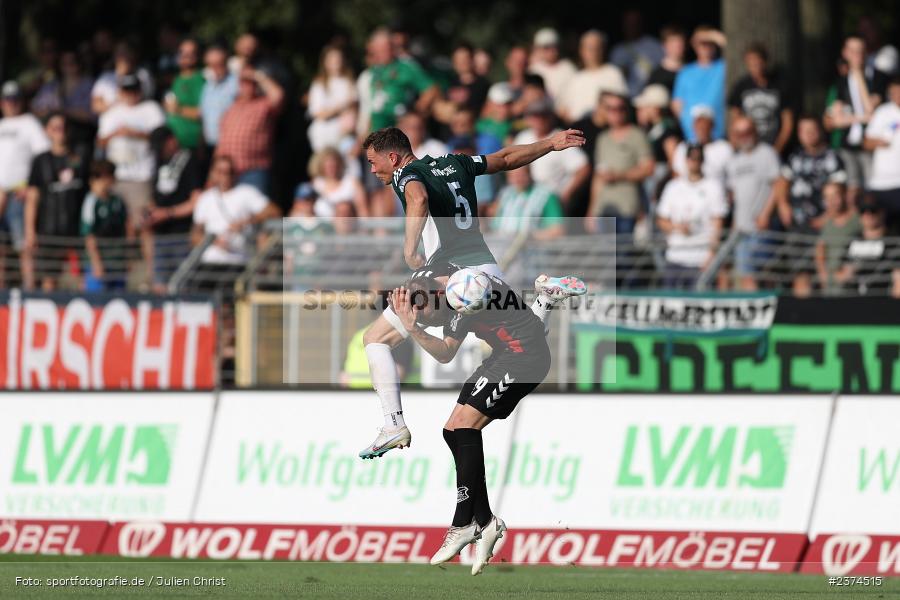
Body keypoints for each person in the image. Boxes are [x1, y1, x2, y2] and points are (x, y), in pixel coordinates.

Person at [358, 125, 587, 459]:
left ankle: (393, 424)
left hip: (450, 278)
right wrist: (550, 144)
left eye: (372, 161)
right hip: (487, 271)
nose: (372, 169)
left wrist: (409, 250)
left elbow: (418, 198)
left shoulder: (405, 173)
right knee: (519, 336)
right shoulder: (457, 163)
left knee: (375, 339)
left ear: (392, 157)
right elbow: (506, 159)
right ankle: (545, 300)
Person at [388, 263, 586, 575]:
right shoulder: (453, 279)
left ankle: (462, 523)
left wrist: (413, 328)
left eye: (427, 315)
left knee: (466, 426)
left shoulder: (462, 303)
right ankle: (486, 520)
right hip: (504, 354)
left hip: (524, 362)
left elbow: (445, 353)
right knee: (451, 430)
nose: (428, 320)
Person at [765, 115, 847, 295]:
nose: (808, 135)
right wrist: (783, 205)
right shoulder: (795, 156)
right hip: (798, 224)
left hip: (824, 226)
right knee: (800, 273)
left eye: (812, 130)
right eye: (803, 131)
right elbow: (782, 182)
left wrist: (828, 217)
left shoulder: (832, 157)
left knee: (824, 272)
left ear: (820, 131)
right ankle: (803, 311)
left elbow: (839, 190)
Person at [23, 113, 89, 290]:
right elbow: (32, 198)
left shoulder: (80, 158)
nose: (61, 132)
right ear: (47, 131)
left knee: (81, 279)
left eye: (64, 127)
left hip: (76, 230)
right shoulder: (40, 161)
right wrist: (30, 231)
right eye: (56, 128)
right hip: (49, 230)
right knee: (49, 279)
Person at [191, 155, 281, 274]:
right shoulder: (205, 198)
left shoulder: (246, 192)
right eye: (220, 171)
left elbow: (274, 211)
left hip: (238, 262)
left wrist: (246, 222)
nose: (225, 176)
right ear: (213, 173)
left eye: (229, 172)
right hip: (209, 263)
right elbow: (195, 235)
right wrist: (215, 242)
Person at [824, 36, 887, 200]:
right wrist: (861, 117)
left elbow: (870, 110)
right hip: (847, 144)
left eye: (860, 51)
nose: (857, 55)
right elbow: (835, 120)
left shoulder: (878, 78)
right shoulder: (841, 82)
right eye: (853, 51)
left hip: (869, 144)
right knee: (851, 189)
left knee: (872, 189)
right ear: (845, 53)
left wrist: (858, 75)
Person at [656, 144, 726, 289]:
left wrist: (711, 255)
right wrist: (677, 227)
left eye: (698, 158)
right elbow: (661, 220)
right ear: (686, 160)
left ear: (703, 161)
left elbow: (717, 224)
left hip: (700, 258)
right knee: (670, 300)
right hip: (675, 256)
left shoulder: (713, 187)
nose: (695, 162)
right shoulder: (673, 187)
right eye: (691, 158)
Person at [725, 116, 781, 290]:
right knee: (746, 275)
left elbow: (778, 185)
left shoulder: (767, 153)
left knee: (762, 273)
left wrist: (766, 214)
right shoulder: (733, 161)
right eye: (739, 133)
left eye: (747, 131)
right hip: (741, 230)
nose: (744, 137)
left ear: (755, 132)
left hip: (761, 226)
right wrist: (734, 226)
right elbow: (736, 198)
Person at [146, 126, 205, 292]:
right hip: (160, 235)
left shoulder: (190, 160)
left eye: (162, 146)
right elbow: (155, 197)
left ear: (172, 141)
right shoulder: (160, 161)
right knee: (159, 286)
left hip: (182, 234)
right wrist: (151, 214)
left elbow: (196, 200)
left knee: (182, 285)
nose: (160, 151)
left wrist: (168, 213)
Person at [587, 93, 654, 234]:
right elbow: (598, 177)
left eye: (620, 108)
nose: (616, 112)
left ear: (626, 110)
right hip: (604, 207)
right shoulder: (603, 139)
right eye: (610, 108)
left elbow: (648, 168)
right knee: (605, 248)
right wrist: (592, 210)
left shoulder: (637, 135)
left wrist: (618, 176)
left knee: (625, 247)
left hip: (628, 207)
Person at [0, 81, 51, 264]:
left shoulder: (29, 123)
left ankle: (28, 282)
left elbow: (42, 156)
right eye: (7, 99)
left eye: (15, 99)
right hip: (1, 194)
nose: (11, 103)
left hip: (19, 195)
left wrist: (29, 185)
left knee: (24, 246)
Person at [215, 65, 284, 195]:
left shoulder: (264, 104)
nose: (247, 86)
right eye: (244, 83)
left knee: (257, 206)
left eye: (251, 83)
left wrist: (257, 76)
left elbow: (278, 95)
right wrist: (214, 172)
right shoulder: (231, 108)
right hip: (228, 172)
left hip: (253, 170)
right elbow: (221, 143)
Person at [513, 98, 591, 211]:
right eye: (534, 115)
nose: (538, 119)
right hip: (528, 200)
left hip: (553, 201)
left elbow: (583, 168)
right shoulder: (523, 137)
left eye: (542, 115)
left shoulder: (561, 138)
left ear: (550, 117)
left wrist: (567, 194)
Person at [360, 28, 439, 133]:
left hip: (400, 129)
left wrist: (415, 113)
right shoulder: (373, 72)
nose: (381, 53)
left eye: (385, 48)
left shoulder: (406, 67)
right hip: (378, 130)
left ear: (392, 47)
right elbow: (373, 106)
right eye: (378, 49)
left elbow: (431, 89)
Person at [728, 43, 794, 153]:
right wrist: (736, 144)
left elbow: (788, 123)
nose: (755, 66)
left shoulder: (780, 86)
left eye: (758, 62)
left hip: (774, 144)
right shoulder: (741, 87)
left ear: (765, 62)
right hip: (748, 147)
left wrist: (776, 150)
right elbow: (735, 120)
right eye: (751, 63)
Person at [81, 160, 132, 291]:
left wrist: (128, 257)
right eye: (99, 178)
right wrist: (96, 263)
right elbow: (89, 236)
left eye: (107, 177)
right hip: (100, 262)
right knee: (97, 299)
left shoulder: (118, 201)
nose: (104, 182)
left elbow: (127, 228)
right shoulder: (91, 202)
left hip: (117, 261)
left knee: (119, 298)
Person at [833, 197, 900, 296]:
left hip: (881, 299)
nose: (868, 215)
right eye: (863, 211)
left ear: (882, 213)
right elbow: (838, 275)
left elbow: (898, 278)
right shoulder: (852, 240)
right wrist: (847, 273)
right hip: (851, 298)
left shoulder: (893, 241)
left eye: (873, 210)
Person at [558, 30, 627, 124]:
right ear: (582, 51)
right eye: (590, 48)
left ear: (603, 50)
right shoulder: (575, 78)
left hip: (604, 127)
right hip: (577, 127)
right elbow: (563, 109)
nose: (594, 52)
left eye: (597, 48)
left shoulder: (613, 73)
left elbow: (621, 104)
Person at [672, 27, 727, 142]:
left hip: (717, 136)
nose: (706, 47)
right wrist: (688, 126)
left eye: (709, 43)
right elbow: (677, 104)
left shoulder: (722, 67)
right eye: (702, 43)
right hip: (692, 137)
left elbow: (733, 50)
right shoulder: (685, 72)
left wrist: (713, 35)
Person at [863, 76, 900, 228]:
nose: (897, 96)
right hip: (881, 184)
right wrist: (879, 142)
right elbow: (866, 142)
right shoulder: (883, 112)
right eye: (894, 93)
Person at [307, 45, 357, 155]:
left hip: (345, 136)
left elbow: (354, 109)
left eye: (338, 58)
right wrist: (342, 106)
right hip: (324, 136)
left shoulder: (350, 82)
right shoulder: (319, 84)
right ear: (325, 62)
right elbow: (318, 113)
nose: (336, 61)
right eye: (332, 58)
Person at [492, 166, 565, 240]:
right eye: (513, 176)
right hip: (503, 245)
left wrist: (531, 237)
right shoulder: (505, 195)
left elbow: (557, 231)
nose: (517, 179)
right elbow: (495, 227)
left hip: (534, 246)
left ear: (529, 173)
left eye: (521, 175)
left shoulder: (546, 195)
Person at [815, 182, 860, 295]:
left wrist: (850, 270)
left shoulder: (857, 219)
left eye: (835, 196)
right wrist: (825, 276)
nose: (831, 201)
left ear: (844, 195)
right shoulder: (824, 223)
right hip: (830, 287)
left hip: (853, 286)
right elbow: (820, 250)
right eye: (827, 197)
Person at [308, 147, 368, 230]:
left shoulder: (351, 182)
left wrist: (364, 231)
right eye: (328, 166)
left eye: (334, 165)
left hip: (349, 229)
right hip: (321, 230)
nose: (331, 169)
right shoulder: (316, 184)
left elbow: (363, 211)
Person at [671, 105, 732, 186]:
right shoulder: (682, 148)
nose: (701, 127)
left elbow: (731, 176)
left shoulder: (724, 147)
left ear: (712, 125)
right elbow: (677, 175)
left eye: (704, 123)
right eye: (698, 123)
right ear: (693, 125)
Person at [609, 10, 664, 97]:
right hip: (626, 96)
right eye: (628, 23)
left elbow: (663, 69)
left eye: (635, 22)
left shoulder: (654, 46)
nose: (632, 26)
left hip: (650, 96)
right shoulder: (618, 51)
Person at [164, 38, 205, 151]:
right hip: (173, 143)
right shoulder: (177, 79)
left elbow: (203, 113)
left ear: (197, 56)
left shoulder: (199, 80)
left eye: (190, 53)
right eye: (182, 52)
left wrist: (178, 109)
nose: (185, 56)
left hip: (190, 143)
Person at [91, 42, 155, 115]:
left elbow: (147, 97)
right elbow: (96, 106)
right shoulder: (105, 77)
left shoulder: (143, 74)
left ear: (133, 54)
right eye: (119, 52)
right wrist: (117, 102)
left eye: (126, 52)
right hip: (113, 118)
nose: (123, 55)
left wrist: (130, 100)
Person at [199, 44, 237, 155]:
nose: (214, 69)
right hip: (209, 145)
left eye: (218, 64)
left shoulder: (236, 84)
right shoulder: (208, 86)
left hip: (229, 145)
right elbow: (204, 115)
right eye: (210, 65)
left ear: (226, 63)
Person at [528, 28, 576, 104]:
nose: (551, 51)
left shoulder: (568, 68)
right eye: (546, 47)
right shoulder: (534, 70)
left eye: (553, 46)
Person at [446, 44, 490, 116]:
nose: (462, 62)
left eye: (465, 58)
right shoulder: (447, 83)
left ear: (472, 59)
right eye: (458, 59)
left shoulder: (484, 85)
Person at [646, 26, 686, 93]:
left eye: (680, 43)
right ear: (664, 45)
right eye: (673, 43)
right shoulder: (656, 75)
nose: (678, 47)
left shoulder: (691, 71)